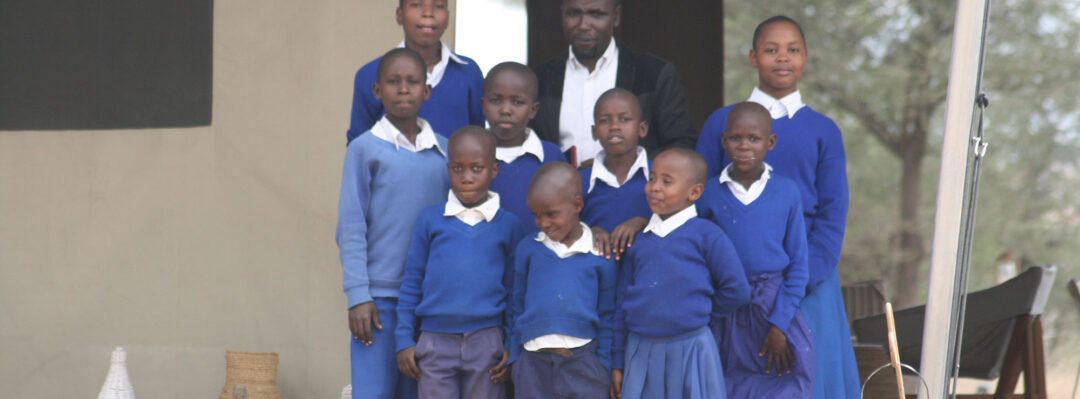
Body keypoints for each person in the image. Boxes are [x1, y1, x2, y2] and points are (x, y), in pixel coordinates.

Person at [694, 16, 858, 398]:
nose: (782, 58)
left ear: (806, 56)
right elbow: (698, 200)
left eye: (792, 50)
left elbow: (833, 214)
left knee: (807, 383)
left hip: (808, 283)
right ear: (753, 57)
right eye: (770, 50)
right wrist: (724, 275)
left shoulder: (823, 130)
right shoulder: (723, 122)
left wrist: (799, 284)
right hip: (736, 285)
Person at [336, 47, 449, 399]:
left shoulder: (445, 153)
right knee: (373, 390)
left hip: (428, 302)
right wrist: (358, 295)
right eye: (393, 82)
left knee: (420, 391)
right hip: (378, 301)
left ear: (426, 91)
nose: (403, 89)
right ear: (376, 90)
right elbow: (351, 226)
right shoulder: (364, 149)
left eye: (412, 82)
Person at [394, 126, 523, 399]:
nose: (466, 178)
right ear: (448, 168)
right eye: (457, 169)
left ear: (494, 170)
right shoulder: (429, 220)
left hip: (487, 340)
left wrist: (511, 344)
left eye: (477, 168)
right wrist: (404, 339)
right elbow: (411, 283)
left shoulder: (509, 225)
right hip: (434, 340)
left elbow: (515, 292)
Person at [610, 149, 750, 399]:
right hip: (641, 350)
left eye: (667, 181)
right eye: (652, 178)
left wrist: (698, 310)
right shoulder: (639, 241)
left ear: (694, 192)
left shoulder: (707, 235)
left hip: (692, 347)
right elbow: (622, 304)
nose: (654, 187)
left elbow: (736, 290)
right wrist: (618, 361)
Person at [697, 102, 814, 398]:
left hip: (773, 309)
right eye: (735, 138)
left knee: (784, 382)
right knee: (724, 384)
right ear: (724, 141)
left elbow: (798, 266)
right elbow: (697, 258)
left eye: (754, 139)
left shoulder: (787, 192)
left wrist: (779, 325)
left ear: (770, 142)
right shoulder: (708, 194)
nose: (744, 146)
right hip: (725, 310)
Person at [532, 0, 696, 166]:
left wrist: (622, 171)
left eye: (596, 14)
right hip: (559, 189)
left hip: (636, 190)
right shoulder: (540, 79)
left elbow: (681, 145)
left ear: (616, 17)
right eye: (574, 13)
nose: (583, 25)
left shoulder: (653, 74)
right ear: (562, 15)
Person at [508, 162, 617, 399]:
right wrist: (515, 358)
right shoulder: (528, 249)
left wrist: (605, 366)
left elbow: (609, 315)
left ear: (577, 204)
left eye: (551, 214)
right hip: (532, 364)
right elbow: (516, 306)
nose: (543, 224)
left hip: (584, 363)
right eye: (536, 215)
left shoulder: (600, 255)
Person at [347, 0, 484, 144]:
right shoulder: (371, 74)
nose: (428, 14)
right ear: (400, 15)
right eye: (416, 4)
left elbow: (479, 139)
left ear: (448, 18)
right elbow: (358, 144)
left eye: (438, 6)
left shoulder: (469, 73)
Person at [483, 62, 567, 233]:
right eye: (496, 101)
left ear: (533, 110)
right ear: (483, 105)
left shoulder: (551, 157)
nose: (505, 110)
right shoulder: (471, 155)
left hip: (539, 257)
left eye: (517, 102)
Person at [578, 88, 651, 260]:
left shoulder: (660, 178)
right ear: (594, 132)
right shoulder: (580, 181)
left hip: (644, 275)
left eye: (624, 119)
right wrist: (587, 232)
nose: (614, 126)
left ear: (642, 129)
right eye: (604, 121)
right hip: (595, 279)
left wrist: (643, 222)